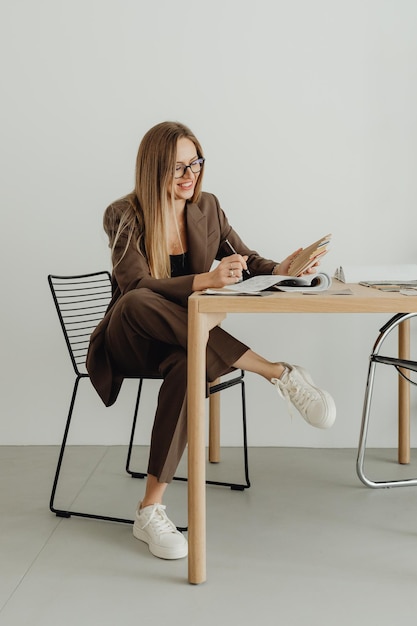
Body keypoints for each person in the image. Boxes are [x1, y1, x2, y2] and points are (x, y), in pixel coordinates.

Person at [86, 121, 336, 561]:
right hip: (132, 337)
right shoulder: (123, 213)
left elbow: (246, 257)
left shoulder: (207, 208)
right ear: (153, 169)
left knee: (191, 363)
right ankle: (276, 372)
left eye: (195, 163)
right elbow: (134, 283)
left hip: (185, 341)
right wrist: (205, 279)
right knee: (137, 301)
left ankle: (149, 509)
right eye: (177, 167)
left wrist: (284, 268)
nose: (190, 176)